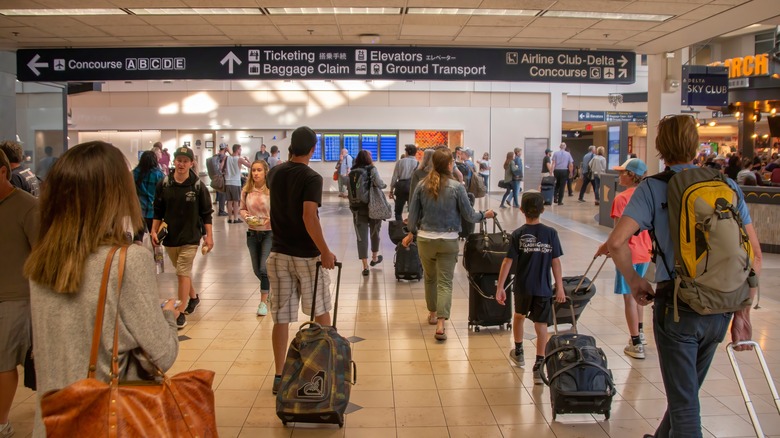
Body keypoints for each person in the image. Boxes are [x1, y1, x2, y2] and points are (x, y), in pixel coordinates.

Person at [605, 115, 762, 438]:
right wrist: (742, 313)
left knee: (685, 404)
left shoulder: (652, 187)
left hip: (678, 308)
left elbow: (617, 242)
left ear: (661, 148)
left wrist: (636, 283)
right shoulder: (726, 186)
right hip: (721, 310)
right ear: (694, 145)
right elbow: (753, 255)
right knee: (685, 393)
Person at [24, 141, 179, 438]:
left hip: (52, 425)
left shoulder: (40, 262)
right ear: (116, 194)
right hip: (108, 421)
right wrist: (169, 317)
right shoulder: (128, 260)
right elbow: (161, 355)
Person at [266, 126, 337, 395]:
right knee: (321, 312)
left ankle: (279, 374)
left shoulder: (275, 172)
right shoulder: (311, 177)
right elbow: (310, 217)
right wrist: (325, 251)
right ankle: (321, 371)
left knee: (281, 318)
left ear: (291, 147)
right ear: (312, 150)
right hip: (306, 256)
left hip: (278, 252)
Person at [403, 148, 494, 341]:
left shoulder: (421, 185)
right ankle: (441, 324)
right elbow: (469, 215)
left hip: (426, 240)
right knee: (445, 282)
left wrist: (412, 233)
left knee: (430, 278)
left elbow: (412, 219)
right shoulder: (457, 187)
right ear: (450, 165)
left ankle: (433, 313)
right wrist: (484, 215)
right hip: (448, 241)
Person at [496, 191, 565, 384]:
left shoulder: (518, 234)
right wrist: (559, 287)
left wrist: (500, 287)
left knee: (518, 316)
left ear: (521, 209)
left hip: (523, 287)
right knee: (541, 325)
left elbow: (507, 262)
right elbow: (556, 262)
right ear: (543, 209)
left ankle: (518, 351)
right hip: (543, 287)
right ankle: (539, 365)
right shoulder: (550, 233)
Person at [152, 146, 214, 329]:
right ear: (174, 161)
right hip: (170, 238)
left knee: (182, 272)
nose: (181, 164)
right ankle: (193, 297)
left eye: (185, 161)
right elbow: (157, 211)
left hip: (191, 237)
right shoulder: (164, 184)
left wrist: (209, 236)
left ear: (191, 163)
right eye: (179, 160)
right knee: (182, 273)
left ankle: (180, 312)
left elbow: (206, 214)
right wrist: (154, 231)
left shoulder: (197, 186)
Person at [596, 158, 651, 360]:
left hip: (627, 255)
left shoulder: (621, 199)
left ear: (630, 176)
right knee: (641, 294)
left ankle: (635, 342)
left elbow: (618, 235)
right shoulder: (647, 197)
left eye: (622, 173)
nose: (619, 176)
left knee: (629, 297)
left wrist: (605, 249)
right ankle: (641, 333)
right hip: (645, 251)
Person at [0, 149, 38, 438]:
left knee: (3, 361)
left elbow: (43, 255)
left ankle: (1, 421)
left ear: (3, 172)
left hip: (15, 295)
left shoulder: (27, 206)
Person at [240, 160, 273, 317]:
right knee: (256, 269)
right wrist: (246, 216)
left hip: (269, 232)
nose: (256, 173)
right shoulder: (246, 190)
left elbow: (279, 209)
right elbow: (242, 208)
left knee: (263, 268)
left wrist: (269, 219)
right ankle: (272, 288)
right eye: (253, 170)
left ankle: (263, 302)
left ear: (265, 171)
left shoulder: (271, 190)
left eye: (259, 170)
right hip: (252, 232)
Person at [350, 150, 385, 276]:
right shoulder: (372, 169)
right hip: (373, 206)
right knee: (375, 232)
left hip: (357, 208)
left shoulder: (353, 172)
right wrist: (384, 185)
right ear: (368, 158)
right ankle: (374, 258)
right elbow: (379, 183)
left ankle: (365, 267)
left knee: (361, 237)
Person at [132, 150, 165, 240]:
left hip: (139, 210)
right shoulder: (159, 174)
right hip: (153, 211)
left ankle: (137, 253)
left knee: (138, 237)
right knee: (155, 236)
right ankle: (156, 253)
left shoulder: (134, 173)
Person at [223, 144, 251, 224]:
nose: (241, 151)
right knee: (236, 202)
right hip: (236, 182)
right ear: (238, 150)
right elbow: (250, 166)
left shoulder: (227, 158)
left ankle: (229, 218)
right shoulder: (240, 159)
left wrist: (228, 151)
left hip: (228, 182)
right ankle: (235, 218)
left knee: (229, 201)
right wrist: (248, 160)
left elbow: (231, 156)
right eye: (240, 149)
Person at [389, 144, 418, 220]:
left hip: (401, 188)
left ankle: (399, 229)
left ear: (407, 152)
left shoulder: (400, 162)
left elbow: (394, 177)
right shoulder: (418, 163)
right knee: (412, 211)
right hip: (412, 188)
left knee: (398, 212)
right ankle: (409, 229)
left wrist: (391, 191)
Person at [208, 143, 229, 216]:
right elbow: (220, 167)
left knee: (220, 194)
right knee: (222, 194)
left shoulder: (216, 156)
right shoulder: (223, 156)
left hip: (215, 177)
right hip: (220, 177)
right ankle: (221, 211)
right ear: (225, 149)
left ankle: (221, 210)